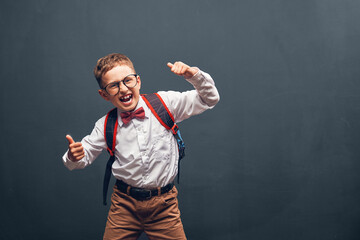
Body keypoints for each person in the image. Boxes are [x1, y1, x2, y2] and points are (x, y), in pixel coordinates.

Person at [62, 53, 220, 240]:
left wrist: (193, 75)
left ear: (138, 81)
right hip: (124, 206)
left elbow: (210, 99)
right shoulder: (105, 124)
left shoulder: (165, 104)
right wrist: (74, 156)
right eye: (113, 85)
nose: (123, 89)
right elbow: (81, 158)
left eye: (127, 80)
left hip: (164, 206)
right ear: (104, 95)